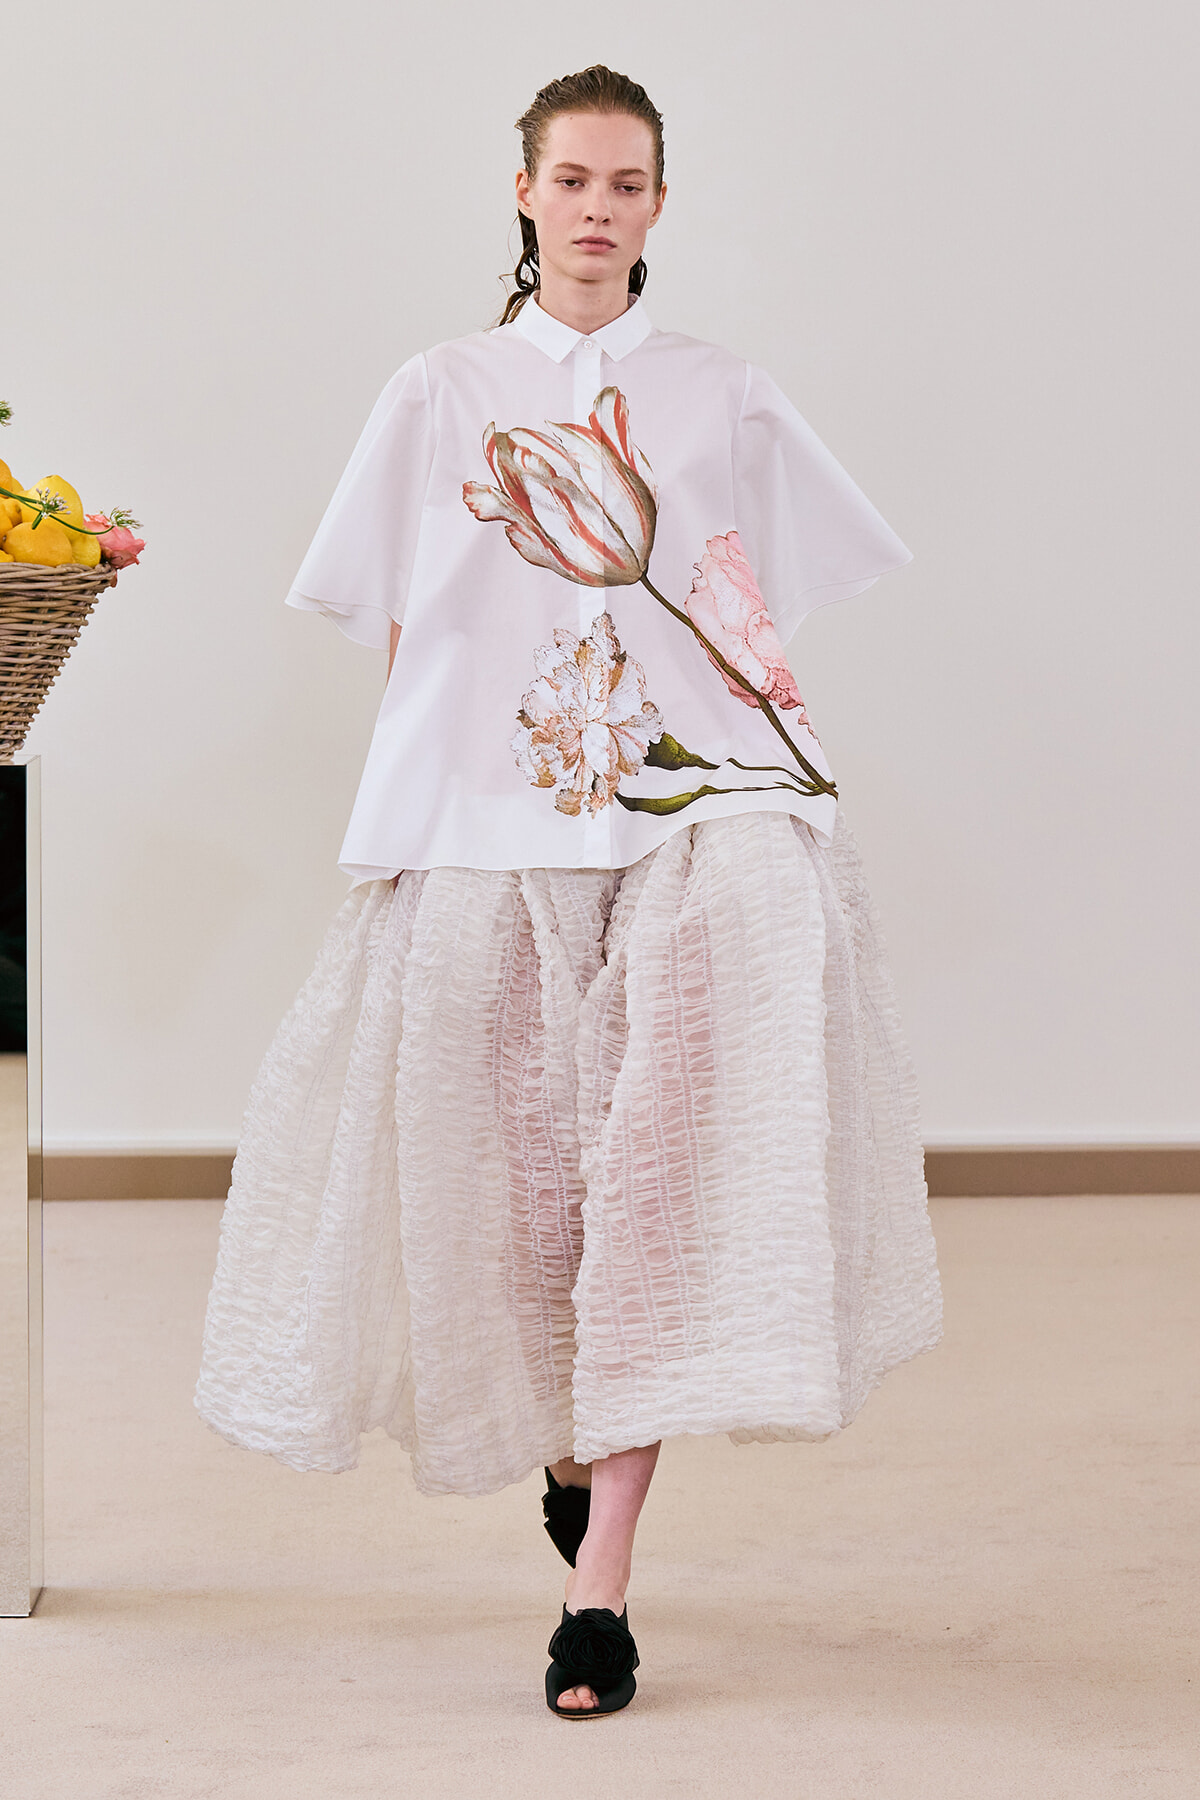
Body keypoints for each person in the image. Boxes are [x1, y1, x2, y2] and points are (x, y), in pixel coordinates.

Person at [195, 64, 943, 1720]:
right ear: (524, 191)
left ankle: (599, 1584)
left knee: (665, 1184)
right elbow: (405, 620)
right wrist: (425, 793)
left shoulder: (721, 392)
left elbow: (747, 598)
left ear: (660, 204)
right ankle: (565, 1440)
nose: (599, 208)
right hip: (492, 821)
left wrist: (732, 736)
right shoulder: (440, 389)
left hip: (696, 821)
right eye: (574, 179)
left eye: (628, 183)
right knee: (521, 1187)